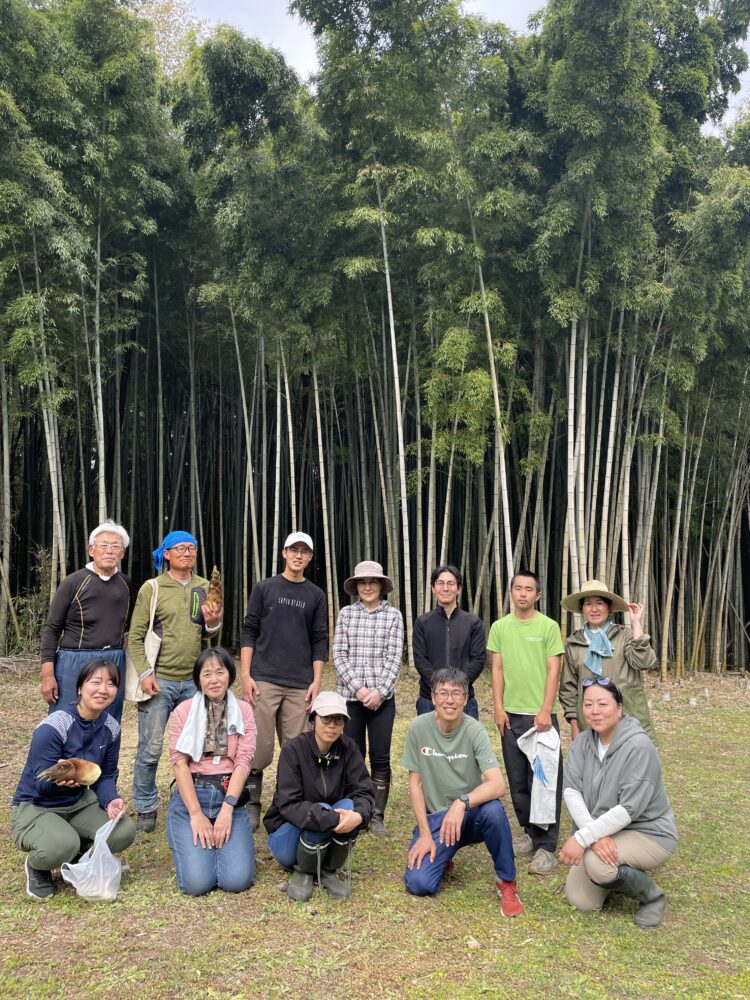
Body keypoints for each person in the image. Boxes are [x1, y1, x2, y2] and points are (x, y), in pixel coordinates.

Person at [401, 667, 523, 917]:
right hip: (437, 818)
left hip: (469, 814)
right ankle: (443, 856)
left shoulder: (474, 730)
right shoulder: (418, 728)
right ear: (433, 697)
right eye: (443, 693)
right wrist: (425, 834)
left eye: (456, 693)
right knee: (419, 884)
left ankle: (507, 882)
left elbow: (498, 784)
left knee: (494, 810)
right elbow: (415, 784)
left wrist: (461, 802)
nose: (450, 700)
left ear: (466, 699)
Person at [11, 659, 137, 900]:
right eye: (95, 682)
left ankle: (79, 854)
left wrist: (110, 799)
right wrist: (57, 781)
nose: (103, 690)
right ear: (80, 687)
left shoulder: (111, 727)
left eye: (111, 684)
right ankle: (37, 865)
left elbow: (105, 774)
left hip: (78, 801)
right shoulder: (54, 726)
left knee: (124, 830)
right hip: (37, 804)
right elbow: (39, 784)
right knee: (62, 845)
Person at [559, 677, 677, 927]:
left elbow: (628, 810)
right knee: (580, 900)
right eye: (588, 704)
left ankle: (652, 897)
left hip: (647, 832)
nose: (595, 711)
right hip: (603, 828)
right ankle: (617, 876)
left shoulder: (639, 747)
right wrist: (593, 836)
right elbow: (571, 791)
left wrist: (582, 839)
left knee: (597, 864)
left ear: (619, 707)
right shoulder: (582, 743)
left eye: (603, 704)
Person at [129, 530, 223, 833]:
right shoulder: (152, 588)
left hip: (193, 682)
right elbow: (135, 637)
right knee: (151, 749)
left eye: (191, 548)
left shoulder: (204, 587)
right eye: (180, 548)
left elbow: (208, 633)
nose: (187, 553)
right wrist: (145, 674)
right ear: (166, 554)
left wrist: (213, 623)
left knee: (196, 747)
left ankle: (190, 800)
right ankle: (146, 806)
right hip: (160, 681)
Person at [240, 531, 327, 830]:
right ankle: (251, 803)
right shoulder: (264, 588)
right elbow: (250, 630)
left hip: (300, 682)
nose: (298, 555)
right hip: (264, 678)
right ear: (284, 553)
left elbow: (319, 639)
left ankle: (285, 804)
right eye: (294, 550)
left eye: (304, 551)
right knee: (258, 747)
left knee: (296, 748)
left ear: (310, 558)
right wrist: (246, 674)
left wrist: (316, 680)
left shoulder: (316, 595)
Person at [487, 570, 565, 876]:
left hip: (540, 716)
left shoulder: (548, 627)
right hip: (510, 714)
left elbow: (553, 669)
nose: (522, 593)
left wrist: (546, 709)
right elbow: (497, 669)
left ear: (538, 595)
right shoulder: (500, 627)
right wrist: (498, 707)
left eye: (528, 589)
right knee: (518, 780)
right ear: (511, 592)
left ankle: (546, 846)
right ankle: (530, 833)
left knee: (544, 780)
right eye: (517, 588)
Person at [263, 691, 374, 901]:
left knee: (350, 807)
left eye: (338, 719)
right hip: (287, 836)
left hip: (328, 828)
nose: (332, 726)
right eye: (326, 719)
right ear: (314, 719)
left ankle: (328, 870)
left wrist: (359, 816)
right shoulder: (293, 750)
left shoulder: (349, 749)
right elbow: (289, 804)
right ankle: (304, 871)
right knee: (325, 808)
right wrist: (331, 817)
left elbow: (364, 791)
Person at [166, 647, 256, 896]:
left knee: (237, 881)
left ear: (230, 675)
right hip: (193, 796)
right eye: (207, 674)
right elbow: (179, 762)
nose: (214, 679)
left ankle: (220, 847)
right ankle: (198, 846)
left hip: (229, 796)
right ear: (198, 679)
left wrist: (228, 809)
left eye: (220, 672)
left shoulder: (244, 710)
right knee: (197, 884)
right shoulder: (183, 711)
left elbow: (243, 761)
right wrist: (196, 814)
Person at [333, 560, 404, 836]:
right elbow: (339, 655)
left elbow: (394, 658)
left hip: (382, 701)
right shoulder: (346, 614)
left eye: (372, 582)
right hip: (350, 699)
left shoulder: (393, 616)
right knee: (354, 754)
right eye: (362, 582)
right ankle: (358, 811)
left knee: (380, 755)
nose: (367, 587)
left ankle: (376, 815)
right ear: (356, 587)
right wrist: (359, 690)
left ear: (381, 586)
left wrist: (379, 692)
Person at [40, 520, 132, 723]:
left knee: (108, 722)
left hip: (114, 659)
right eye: (103, 545)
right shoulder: (73, 582)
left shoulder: (126, 584)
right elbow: (52, 629)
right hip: (74, 660)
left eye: (115, 546)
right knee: (67, 720)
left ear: (122, 552)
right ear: (91, 550)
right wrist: (47, 675)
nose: (109, 551)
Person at [560, 579, 657, 742]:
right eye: (588, 604)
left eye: (599, 603)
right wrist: (575, 726)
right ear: (581, 609)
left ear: (609, 607)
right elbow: (568, 689)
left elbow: (644, 662)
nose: (594, 609)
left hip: (628, 720)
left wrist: (635, 623)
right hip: (591, 724)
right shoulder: (574, 643)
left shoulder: (625, 636)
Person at [412, 565, 486, 720]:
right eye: (440, 583)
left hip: (463, 699)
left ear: (458, 588)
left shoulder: (473, 623)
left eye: (451, 584)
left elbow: (478, 659)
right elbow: (420, 659)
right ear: (433, 588)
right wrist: (439, 688)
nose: (445, 588)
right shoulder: (423, 623)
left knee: (466, 737)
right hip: (429, 699)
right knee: (429, 737)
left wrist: (457, 688)